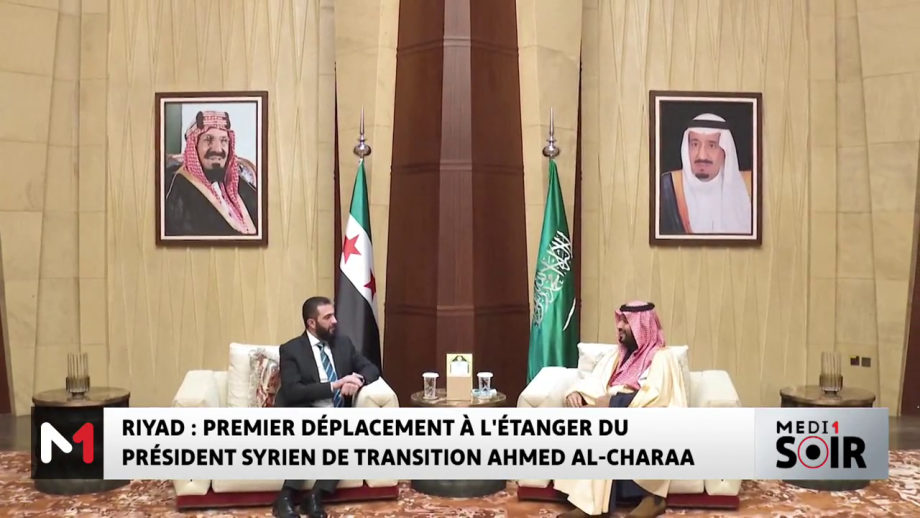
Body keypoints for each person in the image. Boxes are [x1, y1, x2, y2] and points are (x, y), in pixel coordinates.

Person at [556, 302, 688, 518]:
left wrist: (615, 403)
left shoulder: (662, 357)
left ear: (642, 326)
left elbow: (659, 397)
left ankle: (652, 499)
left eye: (626, 321)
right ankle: (590, 504)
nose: (619, 326)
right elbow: (596, 382)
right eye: (620, 320)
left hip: (645, 414)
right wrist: (577, 392)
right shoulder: (617, 356)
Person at [272, 296, 381, 518]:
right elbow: (293, 391)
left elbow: (371, 368)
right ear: (311, 323)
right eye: (328, 317)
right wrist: (334, 386)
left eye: (334, 315)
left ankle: (314, 497)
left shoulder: (343, 343)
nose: (335, 321)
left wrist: (357, 380)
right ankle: (286, 497)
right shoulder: (291, 350)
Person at [163, 110, 259, 236]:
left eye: (223, 140)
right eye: (208, 139)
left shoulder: (238, 183)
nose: (218, 149)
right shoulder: (176, 189)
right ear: (194, 146)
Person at [658, 113, 753, 235]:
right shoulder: (666, 188)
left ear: (725, 151)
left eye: (711, 146)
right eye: (695, 144)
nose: (702, 155)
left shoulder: (750, 187)